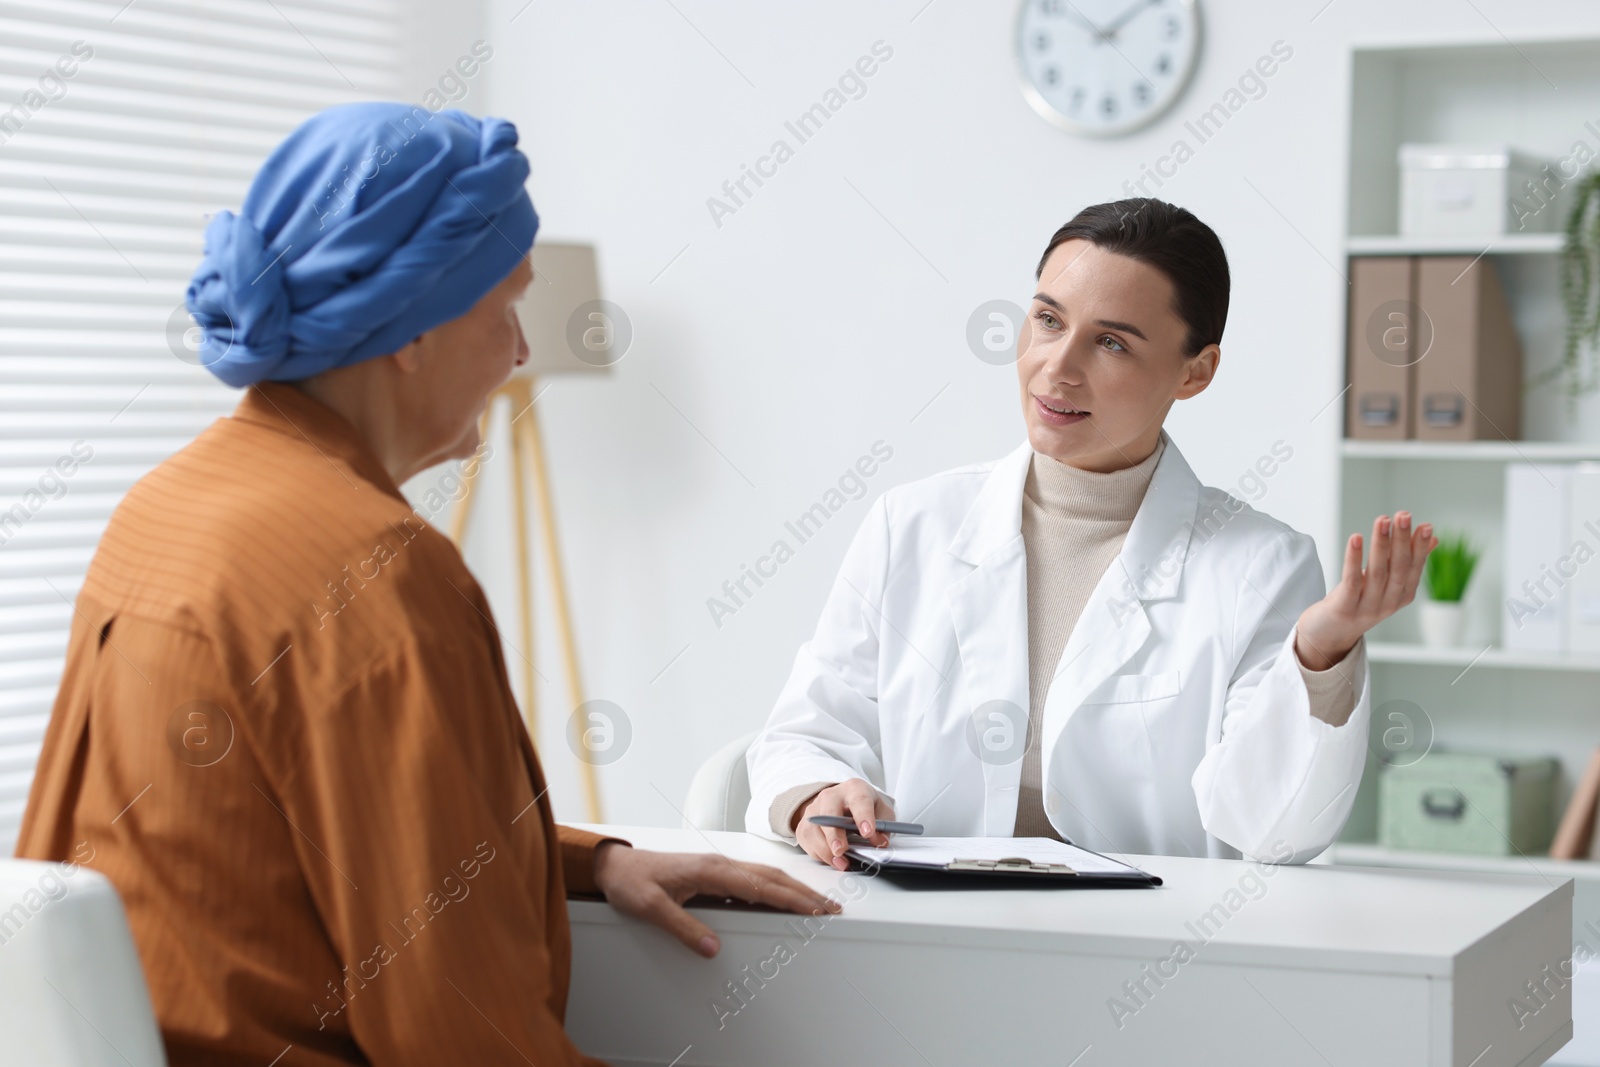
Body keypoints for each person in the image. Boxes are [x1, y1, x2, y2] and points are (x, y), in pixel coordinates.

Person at [16, 102, 837, 1067]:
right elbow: (462, 1041)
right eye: (506, 310)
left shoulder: (161, 508)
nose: (522, 353)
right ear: (412, 328)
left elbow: (292, 834)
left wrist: (591, 858)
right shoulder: (378, 573)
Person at [746, 198, 1437, 870]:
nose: (1058, 366)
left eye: (1110, 342)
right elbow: (806, 733)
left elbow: (1275, 832)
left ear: (1195, 371)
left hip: (1140, 951)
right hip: (926, 932)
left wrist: (1318, 655)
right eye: (1048, 320)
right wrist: (814, 793)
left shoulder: (1261, 565)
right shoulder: (912, 525)